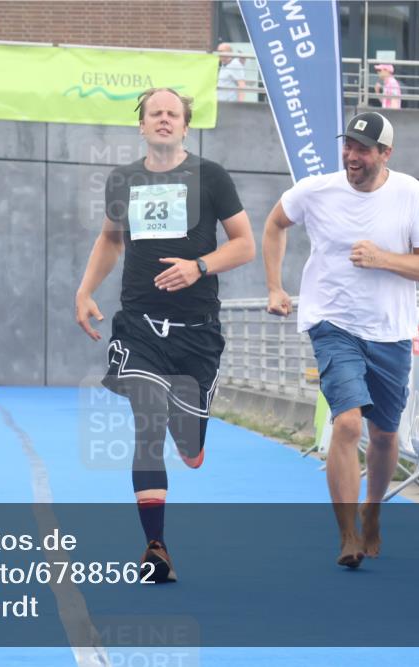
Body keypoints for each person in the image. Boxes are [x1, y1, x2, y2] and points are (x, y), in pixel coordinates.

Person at [75, 88, 255, 582]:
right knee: (148, 421)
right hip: (139, 328)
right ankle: (156, 547)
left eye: (172, 113)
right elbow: (111, 240)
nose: (163, 119)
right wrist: (86, 290)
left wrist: (200, 266)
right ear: (141, 125)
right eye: (155, 113)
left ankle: (192, 438)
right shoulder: (124, 179)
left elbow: (244, 246)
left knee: (188, 446)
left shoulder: (211, 177)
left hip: (197, 333)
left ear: (185, 125)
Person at [262, 112, 419, 569]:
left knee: (384, 435)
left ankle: (372, 509)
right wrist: (275, 286)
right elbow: (275, 224)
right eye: (348, 146)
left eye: (363, 149)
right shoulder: (316, 191)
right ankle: (347, 535)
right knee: (346, 425)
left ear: (385, 154)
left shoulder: (411, 196)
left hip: (391, 330)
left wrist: (383, 258)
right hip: (332, 323)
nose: (352, 156)